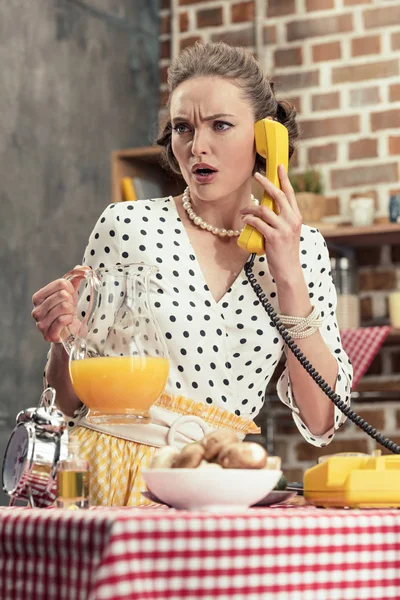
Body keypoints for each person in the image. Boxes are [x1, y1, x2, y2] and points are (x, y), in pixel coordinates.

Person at [31, 42, 352, 506]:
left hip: (221, 487)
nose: (197, 146)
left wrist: (288, 275)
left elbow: (322, 422)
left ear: (266, 139)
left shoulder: (305, 251)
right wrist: (62, 340)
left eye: (220, 125)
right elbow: (64, 403)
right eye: (183, 127)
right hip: (113, 474)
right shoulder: (126, 226)